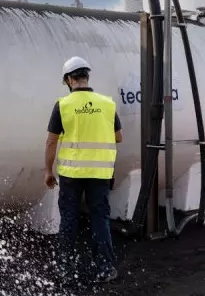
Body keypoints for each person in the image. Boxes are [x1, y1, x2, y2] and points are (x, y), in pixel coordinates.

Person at [43, 56, 123, 285]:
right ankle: (105, 268)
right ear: (86, 77)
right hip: (100, 175)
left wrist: (48, 172)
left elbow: (51, 142)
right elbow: (118, 137)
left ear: (69, 80)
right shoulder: (107, 104)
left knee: (69, 218)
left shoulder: (63, 105)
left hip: (71, 174)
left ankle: (66, 269)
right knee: (100, 218)